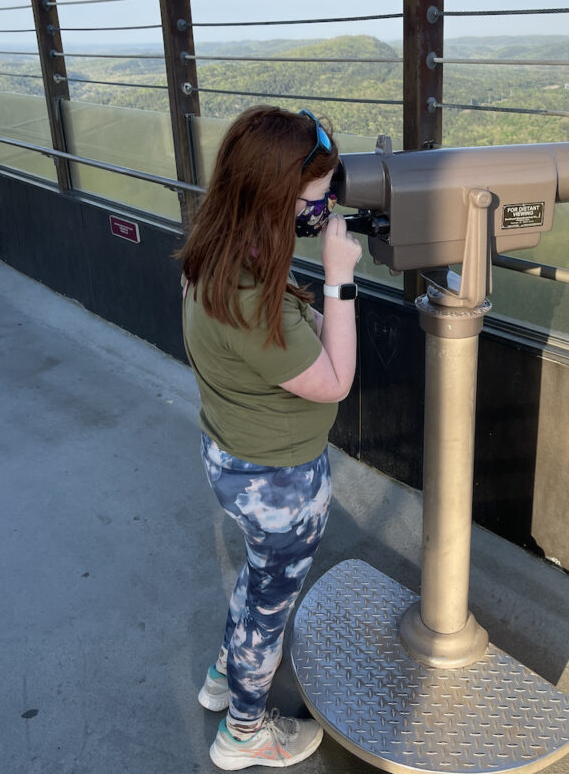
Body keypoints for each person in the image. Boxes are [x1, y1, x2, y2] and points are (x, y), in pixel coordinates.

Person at [180, 105, 361, 770]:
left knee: (258, 580)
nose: (326, 209)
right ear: (277, 201)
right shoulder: (256, 303)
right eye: (316, 199)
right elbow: (336, 379)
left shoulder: (218, 252)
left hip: (230, 455)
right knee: (269, 609)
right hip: (278, 482)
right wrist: (340, 278)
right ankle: (244, 733)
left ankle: (225, 675)